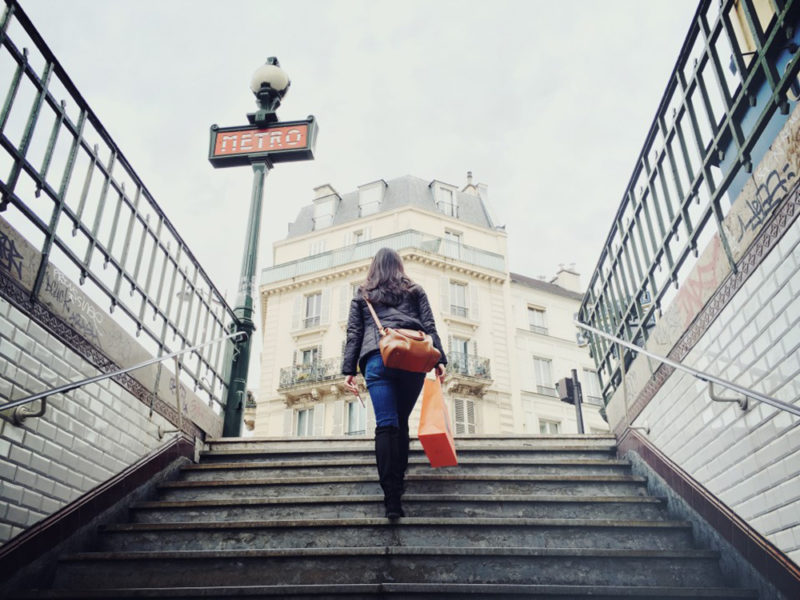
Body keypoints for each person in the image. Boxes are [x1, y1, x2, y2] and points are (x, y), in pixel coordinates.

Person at [342, 248, 446, 519]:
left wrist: (348, 370)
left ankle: (391, 498)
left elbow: (354, 332)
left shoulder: (363, 293)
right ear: (399, 266)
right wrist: (439, 360)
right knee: (400, 422)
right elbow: (429, 325)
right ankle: (399, 484)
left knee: (386, 424)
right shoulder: (415, 289)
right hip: (413, 359)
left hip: (378, 358)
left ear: (373, 267)